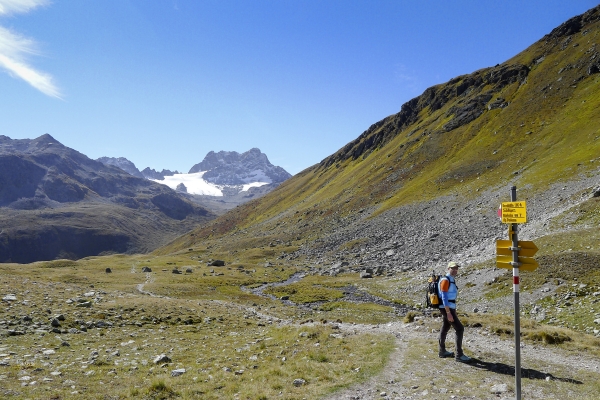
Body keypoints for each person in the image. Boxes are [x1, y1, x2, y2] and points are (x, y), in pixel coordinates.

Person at [438, 261, 471, 363]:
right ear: (448, 269)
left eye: (456, 268)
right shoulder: (446, 280)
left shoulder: (450, 280)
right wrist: (448, 312)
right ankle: (459, 355)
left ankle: (442, 351)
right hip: (446, 307)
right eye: (453, 268)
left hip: (448, 307)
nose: (455, 270)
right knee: (459, 328)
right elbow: (444, 296)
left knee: (445, 327)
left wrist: (451, 310)